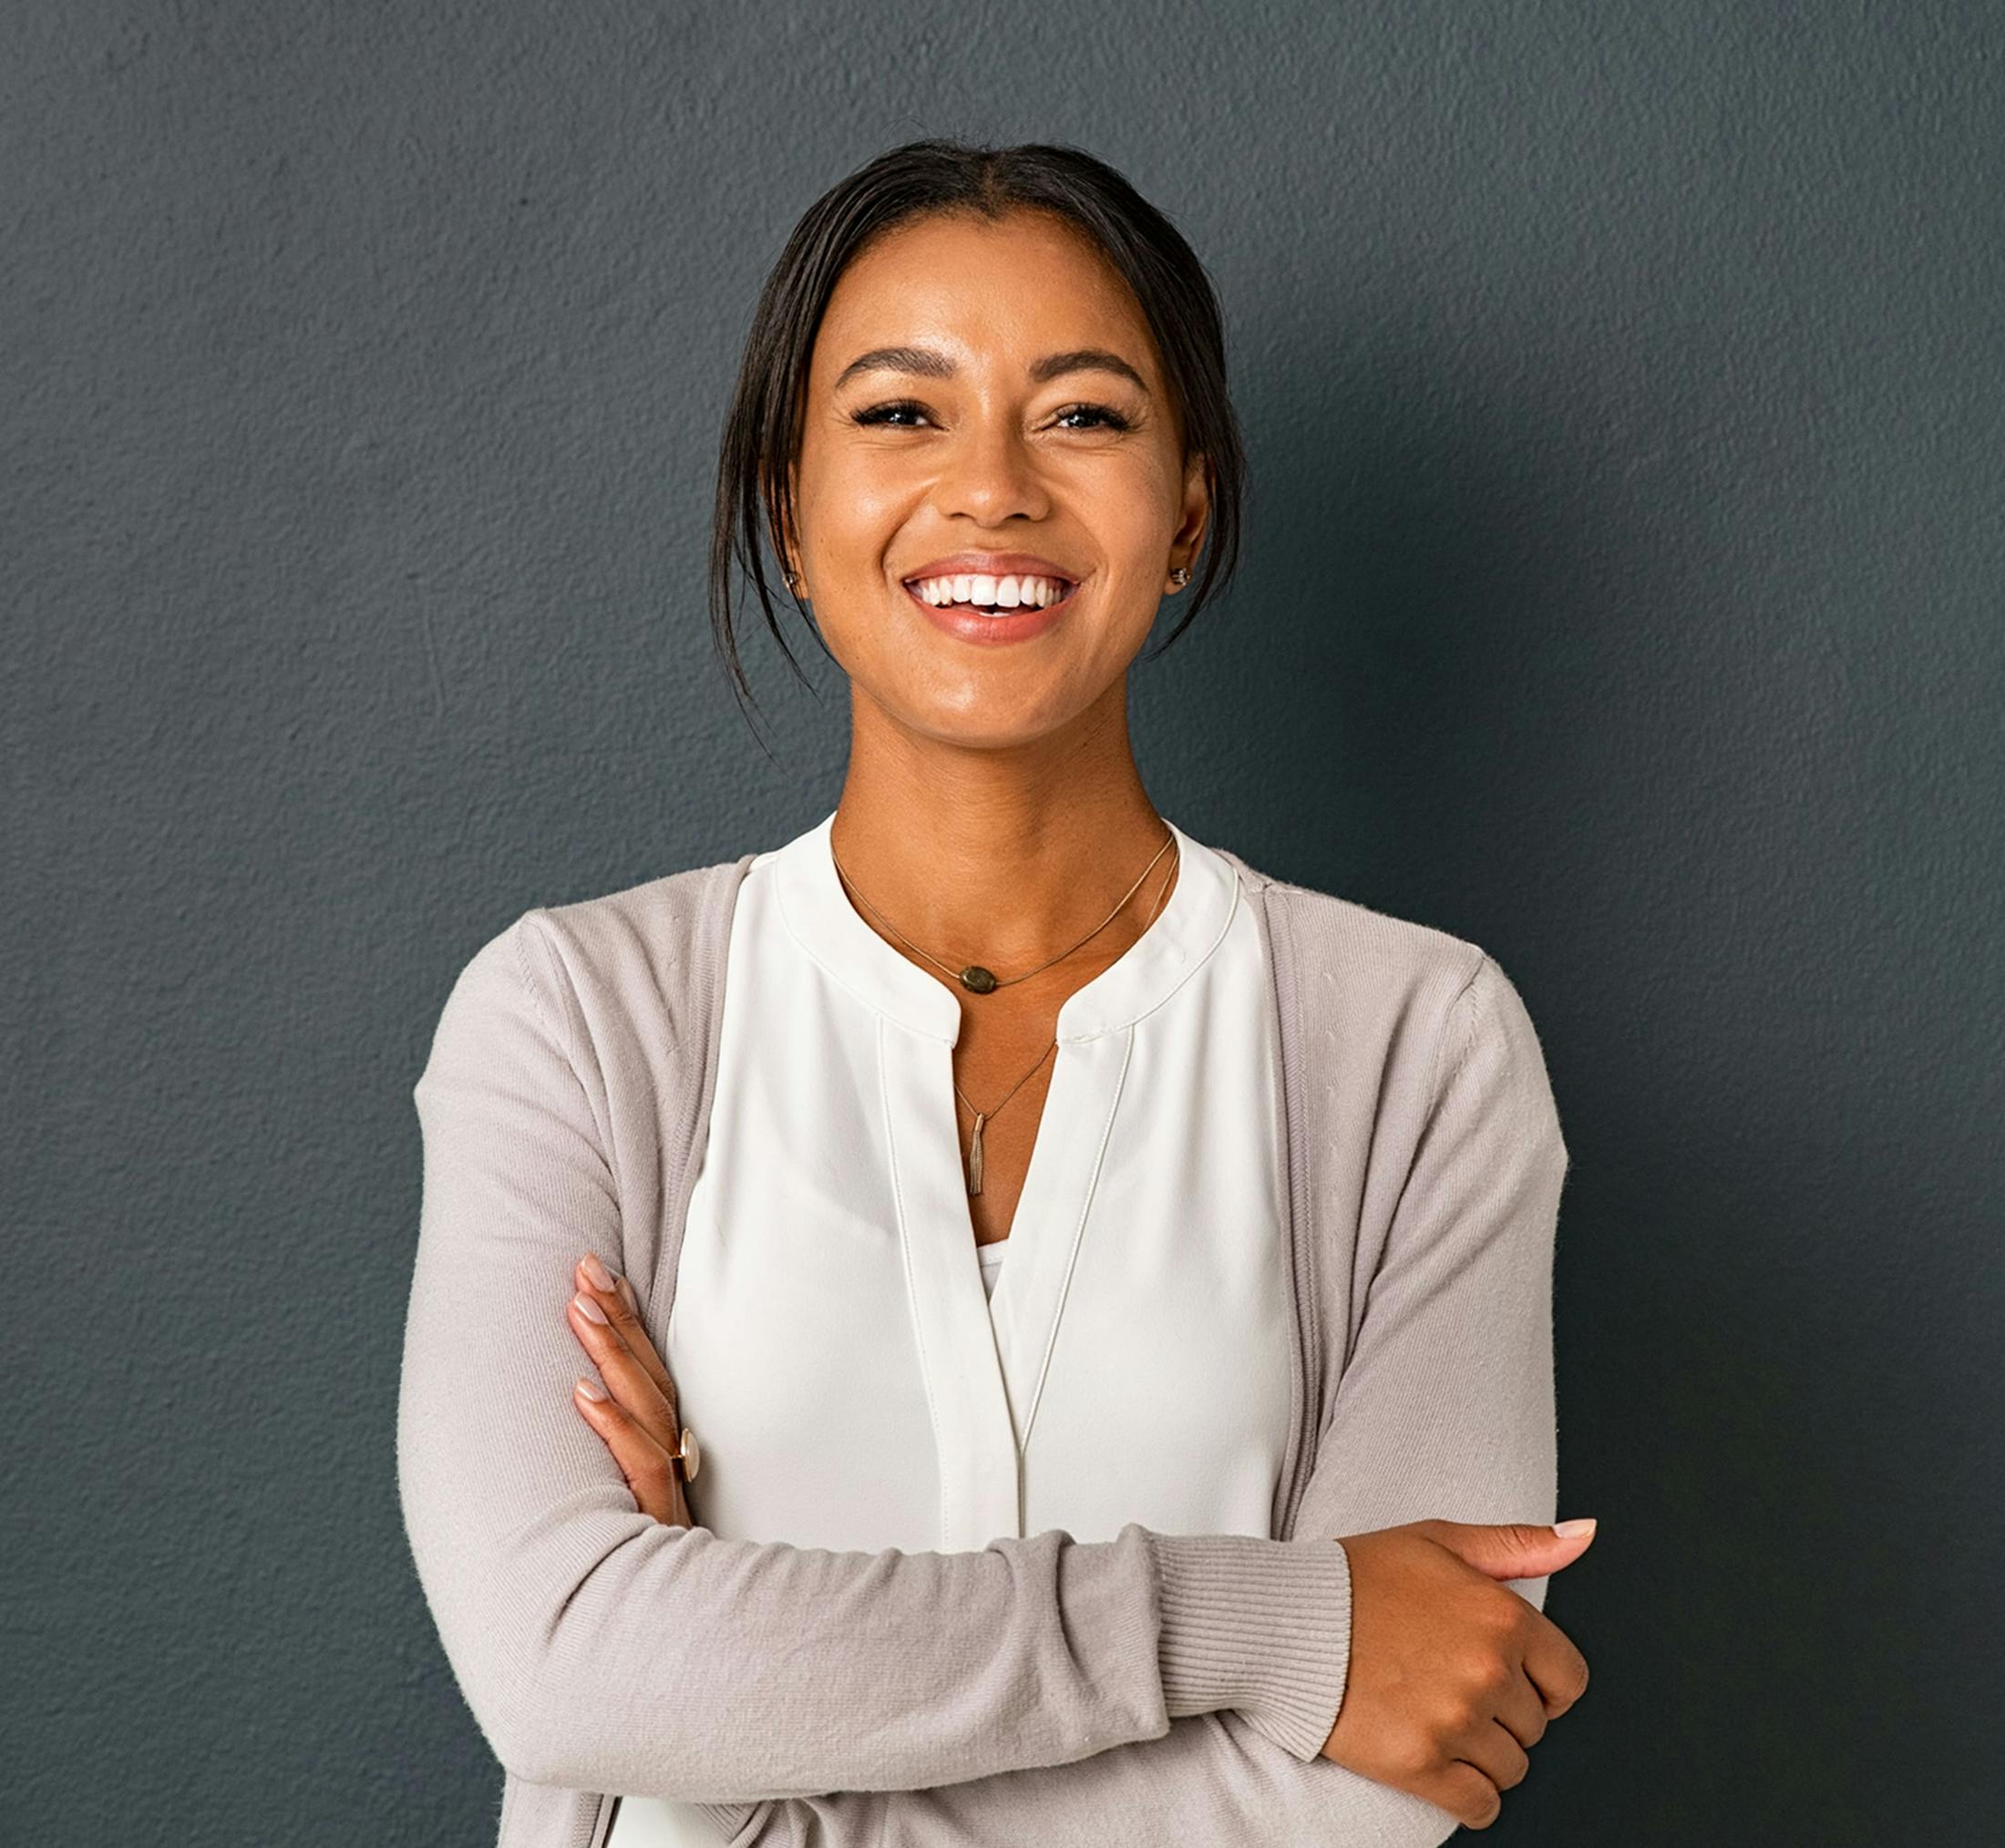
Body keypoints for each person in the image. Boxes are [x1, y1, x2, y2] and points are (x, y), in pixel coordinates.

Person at [397, 139, 1593, 1848]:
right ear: (784, 505)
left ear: (1185, 511)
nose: (993, 490)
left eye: (1085, 415)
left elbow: (1374, 1797)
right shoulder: (577, 1022)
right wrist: (1262, 1624)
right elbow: (563, 1663)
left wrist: (719, 1742)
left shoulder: (1416, 1048)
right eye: (900, 414)